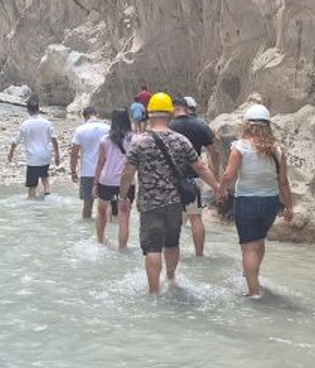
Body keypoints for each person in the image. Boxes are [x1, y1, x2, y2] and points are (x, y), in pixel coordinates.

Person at [121, 92, 223, 294]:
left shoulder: (140, 142)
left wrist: (123, 196)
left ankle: (154, 292)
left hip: (150, 203)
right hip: (175, 202)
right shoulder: (181, 140)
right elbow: (201, 167)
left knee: (152, 248)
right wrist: (218, 187)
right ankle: (171, 279)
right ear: (169, 114)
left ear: (149, 114)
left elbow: (128, 172)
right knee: (172, 242)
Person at [217, 104, 293, 299]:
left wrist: (220, 190)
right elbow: (283, 181)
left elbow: (229, 175)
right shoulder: (277, 150)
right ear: (268, 125)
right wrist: (290, 206)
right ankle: (253, 276)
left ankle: (253, 292)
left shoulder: (240, 147)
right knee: (258, 241)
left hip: (247, 202)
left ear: (247, 125)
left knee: (248, 247)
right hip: (270, 203)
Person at [169, 95, 220, 257]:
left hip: (172, 179)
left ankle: (173, 253)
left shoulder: (168, 126)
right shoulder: (200, 125)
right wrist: (214, 171)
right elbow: (214, 151)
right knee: (196, 217)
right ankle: (199, 254)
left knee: (173, 218)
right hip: (195, 178)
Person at [93, 108, 135, 248]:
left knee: (101, 211)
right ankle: (122, 248)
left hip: (106, 180)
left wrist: (95, 183)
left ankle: (99, 241)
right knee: (124, 218)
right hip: (127, 181)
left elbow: (100, 163)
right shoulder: (134, 139)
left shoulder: (105, 139)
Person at [7, 99, 60, 199]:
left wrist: (11, 153)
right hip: (45, 156)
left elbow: (16, 141)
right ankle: (47, 194)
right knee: (44, 175)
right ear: (38, 109)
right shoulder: (47, 123)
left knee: (32, 186)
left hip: (33, 159)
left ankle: (32, 205)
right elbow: (54, 139)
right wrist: (57, 155)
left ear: (28, 111)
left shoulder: (25, 125)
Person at [70, 107, 109, 220]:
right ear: (97, 114)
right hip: (105, 171)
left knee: (87, 204)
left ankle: (86, 230)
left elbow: (74, 153)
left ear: (84, 117)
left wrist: (73, 171)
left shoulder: (80, 130)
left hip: (87, 171)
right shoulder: (107, 128)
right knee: (107, 204)